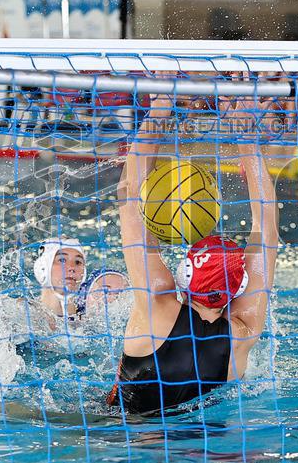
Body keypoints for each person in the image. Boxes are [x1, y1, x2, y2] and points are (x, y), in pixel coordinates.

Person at [107, 95, 278, 415]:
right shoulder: (243, 332)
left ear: (186, 272)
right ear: (237, 288)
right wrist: (247, 138)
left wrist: (159, 108)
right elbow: (266, 228)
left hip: (119, 437)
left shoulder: (157, 305)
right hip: (203, 448)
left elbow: (129, 192)